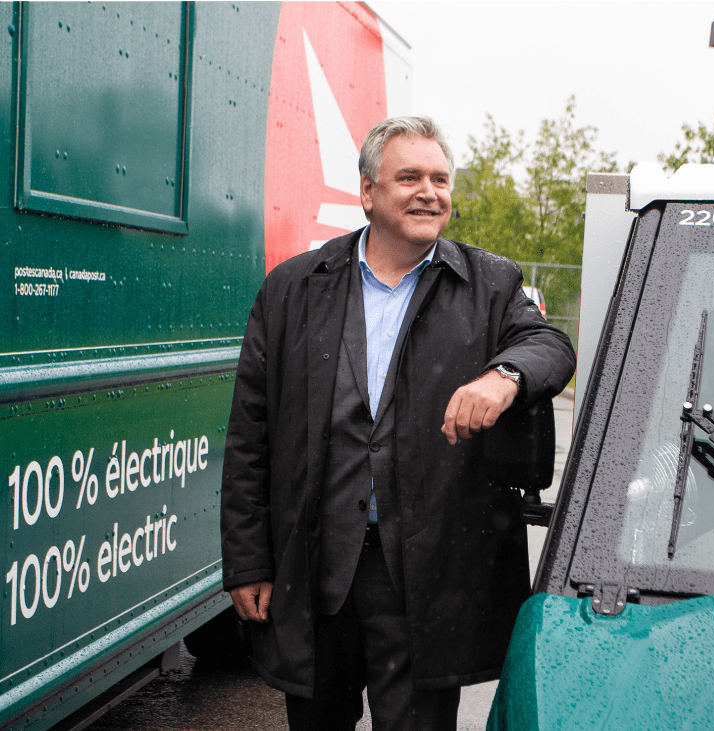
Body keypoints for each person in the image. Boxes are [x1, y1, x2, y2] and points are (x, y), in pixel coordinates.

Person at [221, 116, 576, 731]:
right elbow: (250, 437)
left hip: (425, 574)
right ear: (366, 192)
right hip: (315, 566)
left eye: (440, 179)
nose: (429, 192)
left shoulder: (489, 284)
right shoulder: (291, 290)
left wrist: (505, 376)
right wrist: (248, 562)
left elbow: (551, 346)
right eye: (408, 176)